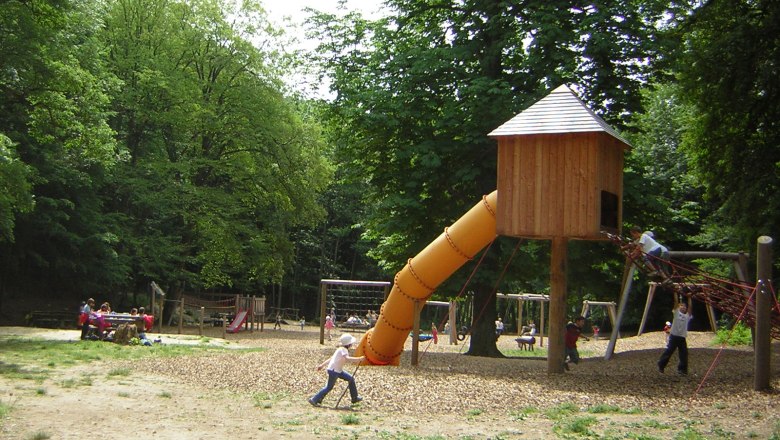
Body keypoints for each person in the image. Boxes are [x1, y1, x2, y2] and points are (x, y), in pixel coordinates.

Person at [309, 333, 366, 406]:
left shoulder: (340, 349)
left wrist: (322, 365)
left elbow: (331, 358)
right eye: (351, 343)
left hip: (337, 370)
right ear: (349, 344)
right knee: (329, 387)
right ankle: (314, 399)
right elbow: (347, 359)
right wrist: (359, 359)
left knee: (351, 379)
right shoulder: (343, 350)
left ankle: (354, 398)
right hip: (334, 371)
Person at [658, 294, 693, 375]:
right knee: (669, 351)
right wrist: (675, 292)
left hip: (682, 338)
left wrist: (689, 297)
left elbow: (690, 307)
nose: (683, 307)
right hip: (674, 336)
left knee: (684, 354)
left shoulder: (687, 316)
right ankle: (661, 365)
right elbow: (676, 302)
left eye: (684, 306)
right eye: (681, 306)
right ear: (679, 307)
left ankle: (682, 370)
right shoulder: (676, 313)